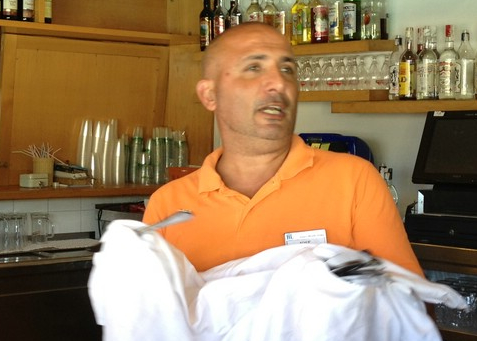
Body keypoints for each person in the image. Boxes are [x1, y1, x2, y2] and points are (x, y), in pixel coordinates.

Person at [143, 21, 422, 275]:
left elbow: (410, 300)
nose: (279, 83)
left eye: (287, 69)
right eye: (254, 67)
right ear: (210, 94)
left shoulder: (355, 180)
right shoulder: (168, 205)